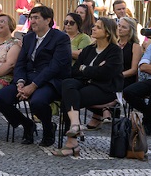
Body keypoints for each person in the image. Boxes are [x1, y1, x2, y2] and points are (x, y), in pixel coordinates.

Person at [0, 5, 71, 146]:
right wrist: (20, 82)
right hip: (27, 79)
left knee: (37, 102)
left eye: (36, 18)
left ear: (48, 20)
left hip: (49, 81)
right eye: (31, 18)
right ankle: (27, 124)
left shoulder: (61, 38)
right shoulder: (28, 38)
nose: (32, 21)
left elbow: (55, 67)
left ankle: (48, 129)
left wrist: (33, 86)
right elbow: (21, 63)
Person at [52, 18, 124, 157]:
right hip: (86, 83)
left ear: (107, 33)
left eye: (98, 27)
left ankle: (72, 143)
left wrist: (85, 68)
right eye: (94, 26)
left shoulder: (115, 51)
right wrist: (93, 70)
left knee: (70, 98)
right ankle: (75, 125)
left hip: (106, 89)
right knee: (67, 84)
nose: (93, 29)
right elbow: (74, 71)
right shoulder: (89, 49)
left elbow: (106, 74)